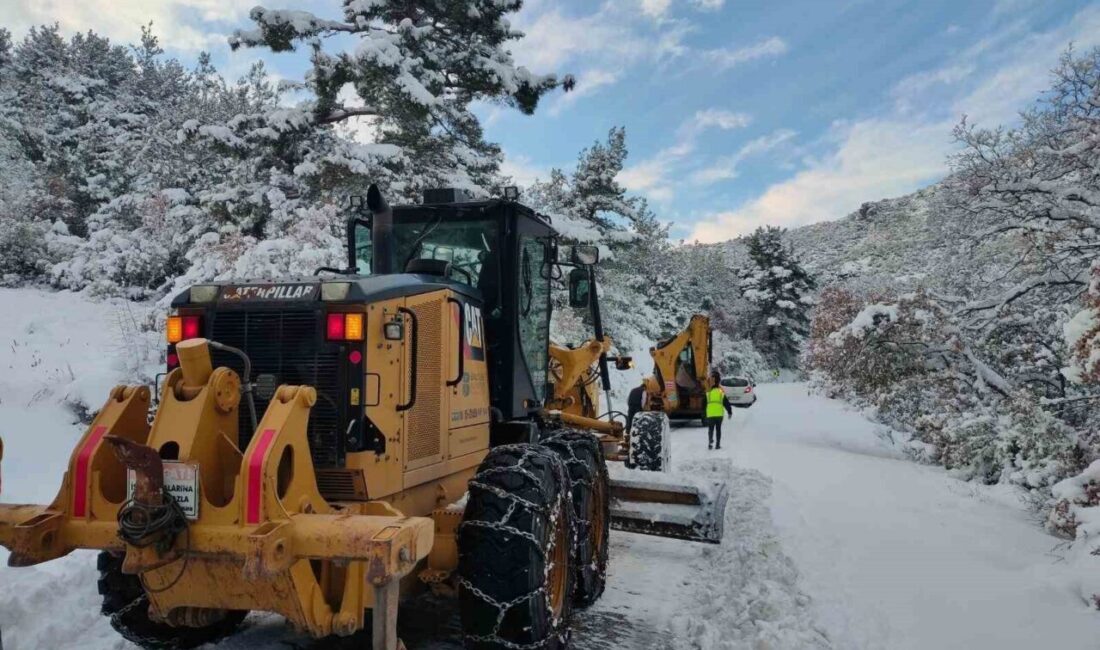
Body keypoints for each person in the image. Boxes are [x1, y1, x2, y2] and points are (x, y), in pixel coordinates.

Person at [705, 372, 733, 450]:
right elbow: (726, 403)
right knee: (718, 429)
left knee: (710, 429)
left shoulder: (708, 392)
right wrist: (729, 412)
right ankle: (717, 445)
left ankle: (710, 442)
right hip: (719, 414)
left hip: (710, 414)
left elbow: (703, 404)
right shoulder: (721, 392)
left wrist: (703, 414)